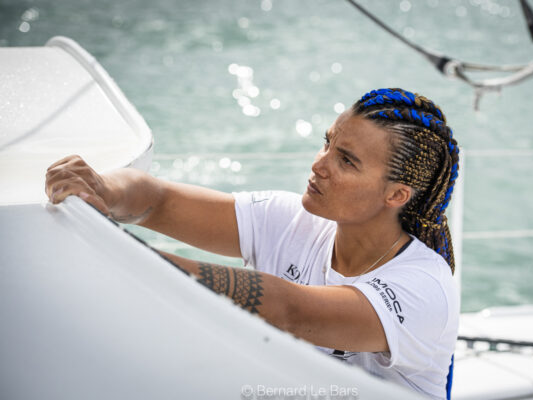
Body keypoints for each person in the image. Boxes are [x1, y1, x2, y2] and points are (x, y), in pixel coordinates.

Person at [45, 88, 460, 400]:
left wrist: (118, 256)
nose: (318, 164)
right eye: (327, 143)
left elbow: (289, 311)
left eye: (346, 160)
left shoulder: (425, 288)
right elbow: (158, 199)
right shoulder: (292, 221)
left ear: (396, 195)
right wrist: (101, 187)